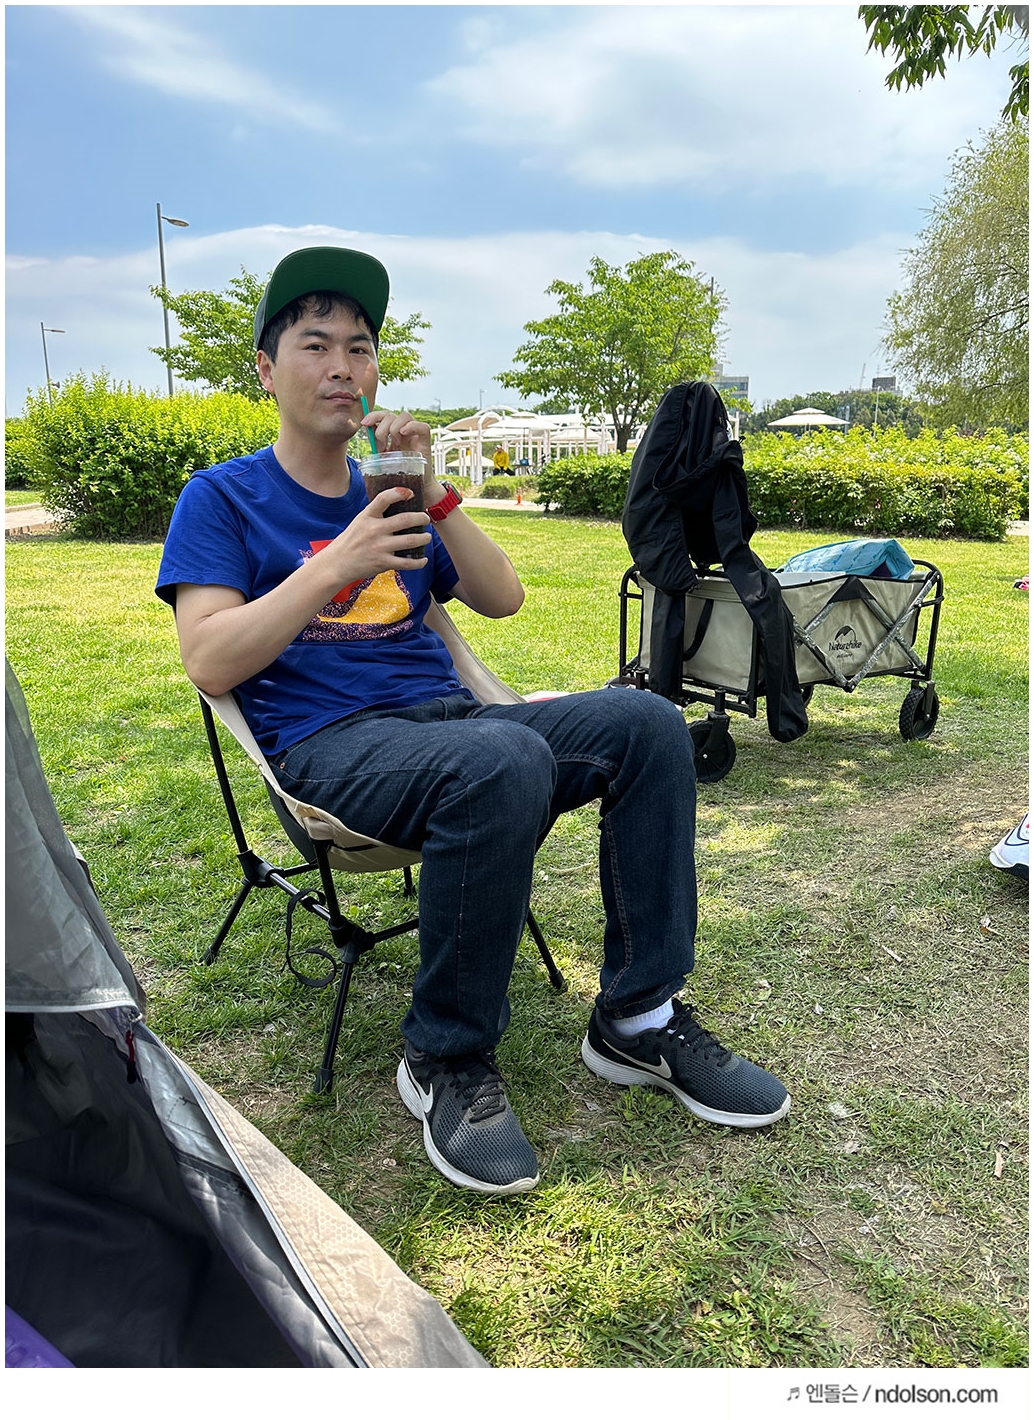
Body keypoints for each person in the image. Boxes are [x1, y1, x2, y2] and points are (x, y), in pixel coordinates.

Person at [155, 246, 790, 1197]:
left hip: (456, 724)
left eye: (360, 348)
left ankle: (638, 1018)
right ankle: (445, 1058)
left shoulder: (395, 491)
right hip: (332, 750)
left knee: (648, 725)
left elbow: (503, 597)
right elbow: (209, 658)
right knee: (500, 761)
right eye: (315, 345)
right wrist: (339, 562)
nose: (341, 367)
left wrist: (433, 492)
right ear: (266, 370)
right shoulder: (221, 498)